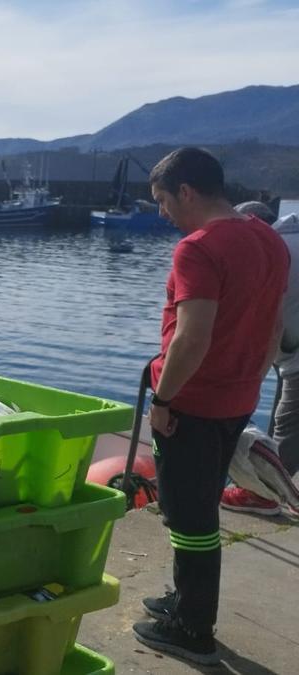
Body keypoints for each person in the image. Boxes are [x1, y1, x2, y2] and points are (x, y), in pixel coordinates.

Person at [134, 148, 288, 665]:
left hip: (192, 405)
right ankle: (185, 598)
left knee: (191, 517)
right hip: (238, 397)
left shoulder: (197, 249)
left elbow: (191, 338)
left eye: (162, 201)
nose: (162, 214)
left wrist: (164, 400)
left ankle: (193, 629)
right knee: (195, 505)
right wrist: (250, 380)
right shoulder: (268, 239)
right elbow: (272, 329)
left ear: (186, 192)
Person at [221, 200, 299, 515]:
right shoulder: (290, 240)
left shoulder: (274, 252)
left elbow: (261, 322)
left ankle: (264, 494)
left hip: (293, 357)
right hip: (290, 355)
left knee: (287, 423)